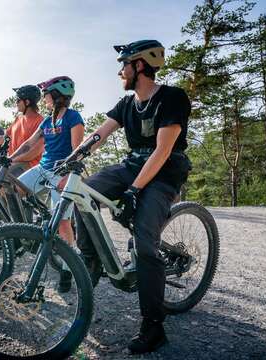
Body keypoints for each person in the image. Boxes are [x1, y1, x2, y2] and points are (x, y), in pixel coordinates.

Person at [77, 40, 192, 354]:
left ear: (140, 66)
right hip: (132, 165)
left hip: (164, 171)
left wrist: (133, 191)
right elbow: (100, 133)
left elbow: (163, 150)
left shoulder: (172, 97)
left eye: (123, 64)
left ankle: (154, 326)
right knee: (80, 193)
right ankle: (92, 262)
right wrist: (76, 155)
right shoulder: (126, 104)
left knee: (144, 244)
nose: (119, 71)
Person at [7, 76, 85, 246]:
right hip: (43, 169)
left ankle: (69, 264)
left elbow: (77, 150)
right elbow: (29, 143)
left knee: (63, 223)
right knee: (14, 190)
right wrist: (10, 159)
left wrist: (69, 176)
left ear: (57, 95)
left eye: (46, 94)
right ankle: (27, 232)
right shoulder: (47, 120)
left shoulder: (73, 117)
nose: (44, 98)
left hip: (61, 173)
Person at [0, 85, 45, 177]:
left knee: (0, 184)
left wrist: (12, 159)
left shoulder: (40, 121)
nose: (16, 103)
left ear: (27, 102)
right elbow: (5, 138)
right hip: (12, 162)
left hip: (28, 165)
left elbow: (34, 152)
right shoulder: (19, 118)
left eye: (18, 100)